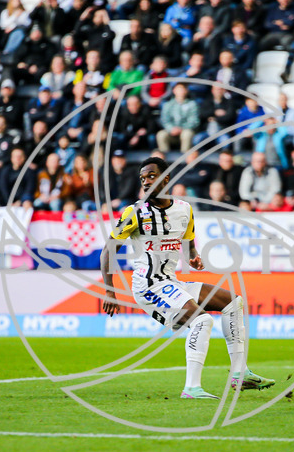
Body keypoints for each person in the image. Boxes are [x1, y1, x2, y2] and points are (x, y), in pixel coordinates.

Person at [101, 157, 275, 399]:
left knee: (233, 302)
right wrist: (110, 291)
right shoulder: (135, 212)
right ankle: (191, 388)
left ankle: (240, 374)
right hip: (149, 286)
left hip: (170, 282)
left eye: (151, 175)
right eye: (143, 178)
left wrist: (193, 256)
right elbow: (108, 250)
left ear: (166, 178)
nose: (146, 181)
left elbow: (187, 243)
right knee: (201, 321)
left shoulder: (184, 209)